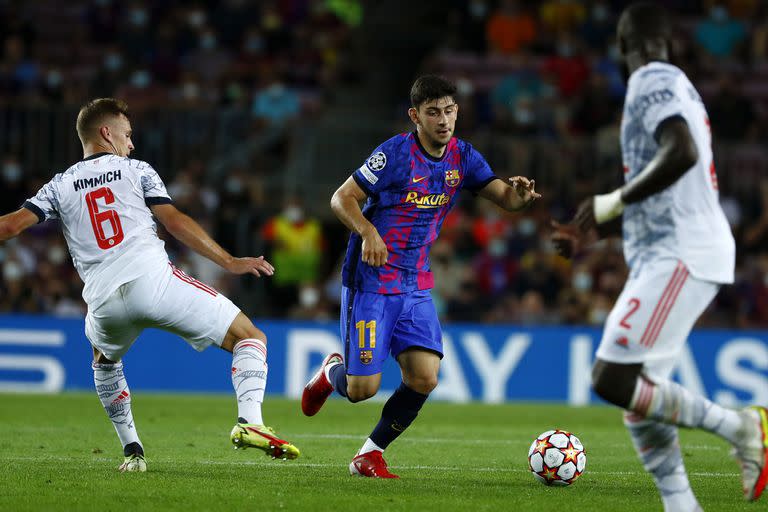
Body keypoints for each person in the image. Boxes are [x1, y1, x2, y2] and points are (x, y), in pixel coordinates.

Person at [0, 98, 299, 472]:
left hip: (104, 302)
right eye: (127, 135)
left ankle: (132, 451)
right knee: (249, 337)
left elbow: (9, 227)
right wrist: (229, 261)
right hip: (154, 283)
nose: (131, 144)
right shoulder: (136, 170)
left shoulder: (58, 185)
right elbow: (173, 220)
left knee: (104, 361)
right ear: (106, 133)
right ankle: (250, 422)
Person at [551, 3, 767, 509]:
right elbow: (666, 186)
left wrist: (612, 200)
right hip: (669, 251)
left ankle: (743, 427)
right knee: (640, 400)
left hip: (681, 254)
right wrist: (596, 230)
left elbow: (683, 152)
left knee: (612, 378)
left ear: (624, 47)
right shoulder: (677, 85)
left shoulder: (650, 81)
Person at [302, 75, 540, 478]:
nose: (443, 120)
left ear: (457, 111)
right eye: (433, 112)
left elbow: (502, 196)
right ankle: (331, 373)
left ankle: (369, 454)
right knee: (362, 391)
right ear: (416, 116)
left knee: (425, 378)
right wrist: (368, 231)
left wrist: (517, 197)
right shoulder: (394, 154)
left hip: (414, 282)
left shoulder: (463, 158)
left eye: (449, 110)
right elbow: (341, 198)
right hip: (371, 281)